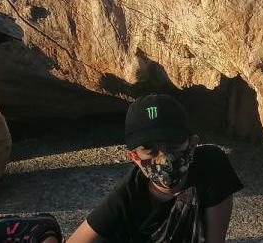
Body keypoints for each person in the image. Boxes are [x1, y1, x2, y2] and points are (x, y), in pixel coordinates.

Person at [68, 94, 242, 243]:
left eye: (172, 144)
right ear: (134, 158)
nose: (164, 158)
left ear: (192, 143)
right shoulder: (127, 197)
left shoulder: (211, 165)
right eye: (150, 150)